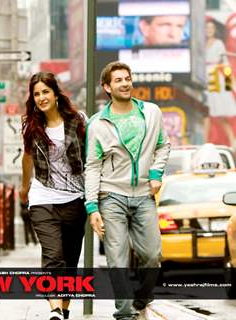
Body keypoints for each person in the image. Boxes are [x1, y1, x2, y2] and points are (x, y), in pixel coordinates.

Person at [85, 61, 170, 320]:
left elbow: (163, 145)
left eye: (127, 78)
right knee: (116, 257)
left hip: (144, 194)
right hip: (111, 196)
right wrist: (92, 207)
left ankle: (142, 298)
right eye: (118, 80)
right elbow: (92, 166)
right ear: (107, 87)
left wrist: (155, 173)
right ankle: (124, 313)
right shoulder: (98, 124)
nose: (125, 83)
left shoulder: (152, 112)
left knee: (152, 255)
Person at [19, 72, 87, 320]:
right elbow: (27, 158)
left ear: (56, 93)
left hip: (74, 198)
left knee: (70, 261)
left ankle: (64, 310)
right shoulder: (31, 124)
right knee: (53, 256)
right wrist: (24, 188)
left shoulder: (78, 121)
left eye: (45, 92)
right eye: (36, 94)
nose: (41, 97)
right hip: (43, 197)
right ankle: (55, 309)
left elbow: (91, 155)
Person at [203, 19, 236, 149]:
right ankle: (204, 143)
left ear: (214, 30)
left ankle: (233, 140)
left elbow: (226, 64)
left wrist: (230, 86)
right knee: (204, 112)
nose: (209, 30)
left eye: (211, 28)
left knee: (221, 114)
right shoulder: (200, 44)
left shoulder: (219, 44)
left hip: (216, 80)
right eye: (207, 28)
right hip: (202, 79)